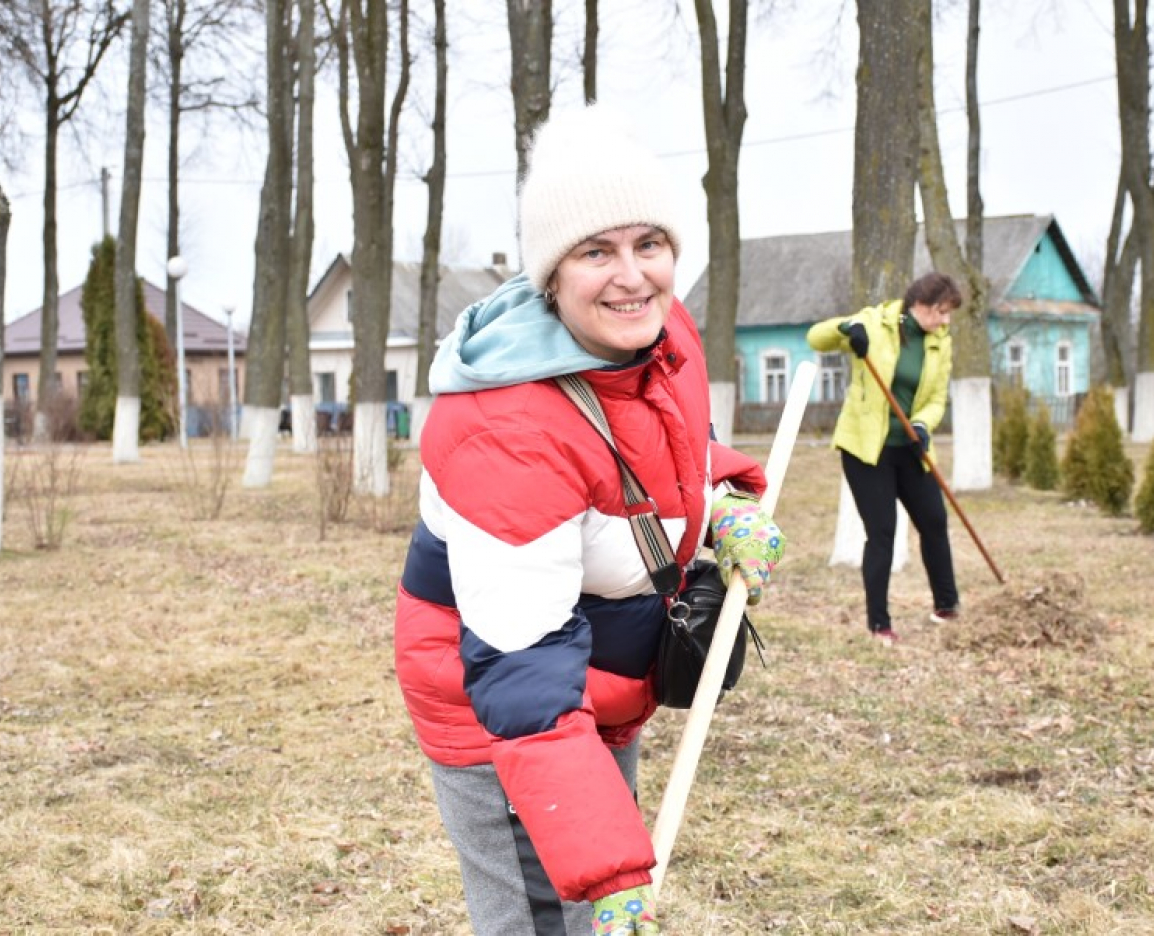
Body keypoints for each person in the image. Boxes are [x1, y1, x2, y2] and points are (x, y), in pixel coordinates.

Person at [393, 104, 786, 935]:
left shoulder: (658, 334)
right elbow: (524, 668)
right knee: (554, 915)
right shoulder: (508, 432)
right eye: (595, 251)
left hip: (598, 676)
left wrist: (723, 510)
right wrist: (606, 869)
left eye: (649, 243)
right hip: (503, 705)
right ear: (549, 275)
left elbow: (665, 455)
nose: (631, 275)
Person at [806, 273, 963, 646]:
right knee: (883, 534)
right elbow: (816, 337)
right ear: (920, 305)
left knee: (935, 521)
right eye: (941, 312)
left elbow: (937, 398)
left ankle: (947, 606)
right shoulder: (875, 323)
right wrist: (847, 329)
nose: (946, 321)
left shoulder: (940, 343)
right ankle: (879, 623)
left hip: (911, 448)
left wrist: (923, 424)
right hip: (867, 451)